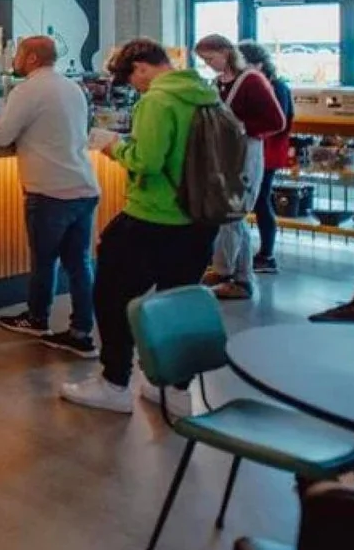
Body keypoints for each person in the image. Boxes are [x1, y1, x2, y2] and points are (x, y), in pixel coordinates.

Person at [61, 38, 220, 416]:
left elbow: (147, 161)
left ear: (143, 67)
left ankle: (115, 382)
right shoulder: (206, 95)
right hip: (200, 219)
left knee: (112, 296)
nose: (135, 86)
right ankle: (174, 388)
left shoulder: (158, 101)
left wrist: (113, 146)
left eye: (133, 78)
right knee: (178, 302)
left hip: (154, 216)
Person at [0, 35, 100, 358]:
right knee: (80, 265)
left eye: (17, 52)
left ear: (31, 58)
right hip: (83, 185)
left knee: (44, 261)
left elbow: (3, 136)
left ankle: (37, 318)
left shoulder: (27, 90)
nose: (14, 58)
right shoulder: (73, 87)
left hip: (49, 189)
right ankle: (81, 331)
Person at [194, 34, 286, 301]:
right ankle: (228, 270)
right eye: (205, 61)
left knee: (233, 214)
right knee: (226, 215)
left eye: (211, 59)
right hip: (225, 154)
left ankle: (239, 277)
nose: (209, 65)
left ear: (225, 52)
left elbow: (276, 121)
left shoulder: (252, 81)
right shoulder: (218, 83)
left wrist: (243, 127)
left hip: (246, 153)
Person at [239, 43, 294, 275]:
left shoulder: (277, 87)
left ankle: (267, 255)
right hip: (254, 150)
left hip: (268, 152)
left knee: (261, 201)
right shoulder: (255, 85)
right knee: (256, 200)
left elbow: (278, 123)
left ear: (258, 64)